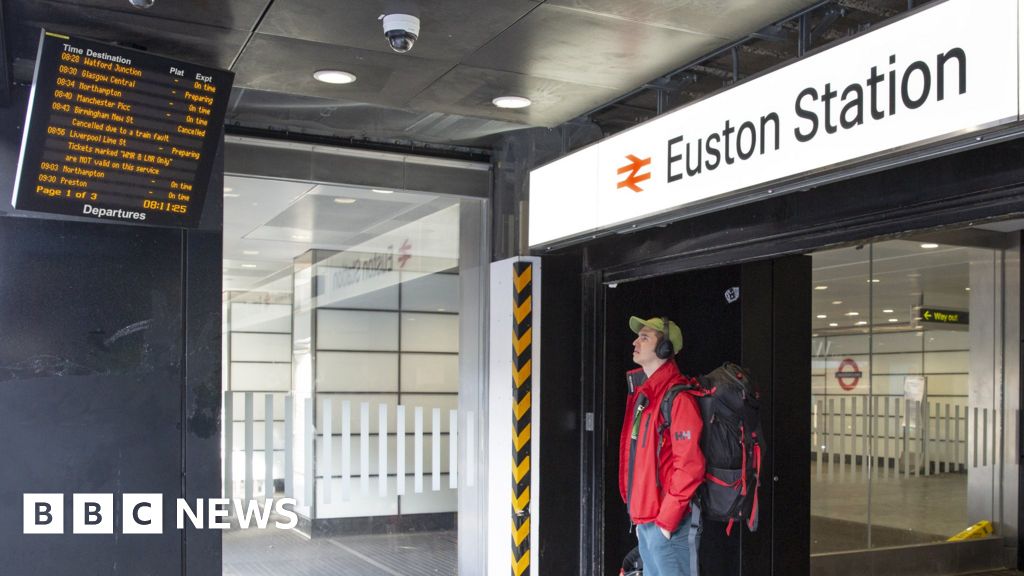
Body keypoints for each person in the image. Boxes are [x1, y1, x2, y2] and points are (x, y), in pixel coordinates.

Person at [619, 316, 705, 576]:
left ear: (665, 348)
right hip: (646, 522)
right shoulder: (646, 396)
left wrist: (666, 523)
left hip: (669, 526)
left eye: (645, 337)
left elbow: (690, 467)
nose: (636, 341)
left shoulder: (678, 399)